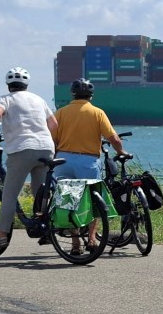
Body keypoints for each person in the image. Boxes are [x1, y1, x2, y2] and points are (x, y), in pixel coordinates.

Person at [0, 67, 58, 251]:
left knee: (9, 195)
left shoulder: (6, 99)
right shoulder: (39, 99)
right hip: (46, 148)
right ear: (26, 85)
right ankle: (44, 229)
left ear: (8, 85)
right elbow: (54, 124)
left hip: (22, 150)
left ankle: (1, 237)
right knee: (40, 193)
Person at [52, 78, 127, 255]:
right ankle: (92, 239)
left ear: (72, 94)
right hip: (88, 161)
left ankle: (76, 242)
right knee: (95, 202)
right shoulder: (97, 113)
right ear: (91, 96)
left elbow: (52, 138)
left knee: (68, 200)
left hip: (63, 160)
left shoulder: (60, 113)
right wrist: (121, 151)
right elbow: (113, 138)